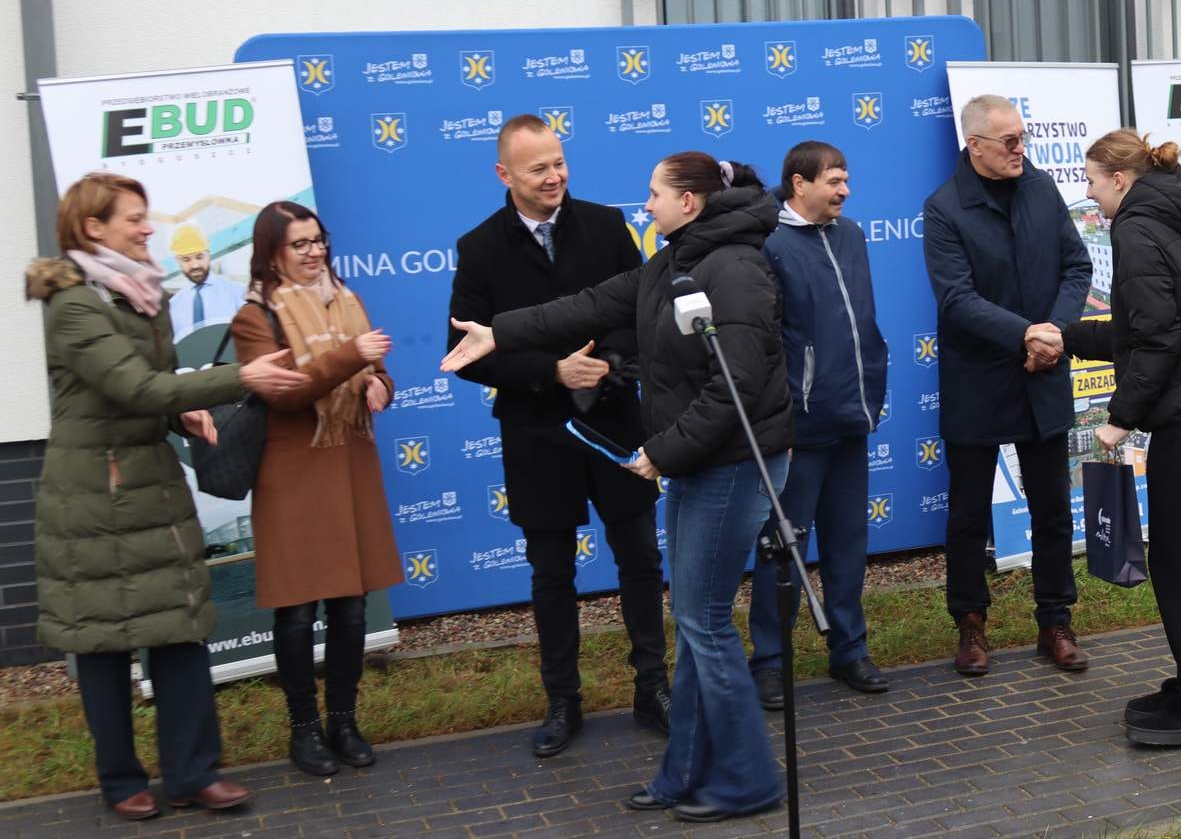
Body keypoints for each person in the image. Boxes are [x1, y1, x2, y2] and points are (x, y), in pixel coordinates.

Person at [442, 151, 791, 824]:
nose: (645, 205)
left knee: (706, 624)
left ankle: (747, 781)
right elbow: (587, 306)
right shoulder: (673, 261)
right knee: (696, 625)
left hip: (734, 465)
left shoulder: (735, 269)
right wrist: (499, 333)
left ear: (688, 202)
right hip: (699, 463)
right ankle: (683, 773)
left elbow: (738, 390)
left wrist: (662, 452)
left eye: (654, 193)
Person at [26, 173, 309, 821]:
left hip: (150, 485)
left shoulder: (139, 294)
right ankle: (120, 781)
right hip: (93, 498)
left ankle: (193, 774)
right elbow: (133, 386)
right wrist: (238, 377)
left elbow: (147, 391)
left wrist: (178, 414)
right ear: (93, 227)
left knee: (179, 630)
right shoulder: (74, 304)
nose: (147, 227)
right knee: (103, 643)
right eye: (133, 218)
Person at [447, 114, 669, 757]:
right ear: (505, 174)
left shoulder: (605, 224)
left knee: (639, 558)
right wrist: (551, 371)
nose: (554, 176)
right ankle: (563, 702)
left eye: (559, 162)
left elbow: (641, 310)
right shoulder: (479, 248)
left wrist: (609, 365)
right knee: (552, 574)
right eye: (538, 168)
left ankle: (653, 687)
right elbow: (466, 354)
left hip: (615, 423)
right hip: (536, 435)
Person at [1038, 131, 1181, 745]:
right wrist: (1068, 338)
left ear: (1120, 180)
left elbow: (1158, 341)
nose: (1089, 191)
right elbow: (1140, 330)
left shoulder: (1134, 230)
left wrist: (1118, 418)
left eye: (1092, 180)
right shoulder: (1154, 223)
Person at [228, 202, 404, 777]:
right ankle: (303, 729)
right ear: (272, 252)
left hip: (349, 461)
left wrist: (379, 385)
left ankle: (344, 722)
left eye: (318, 240)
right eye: (299, 244)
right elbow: (285, 392)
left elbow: (376, 371)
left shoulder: (345, 298)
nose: (314, 252)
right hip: (293, 472)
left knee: (351, 608)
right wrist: (354, 357)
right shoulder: (255, 316)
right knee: (299, 610)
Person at [923, 94, 1093, 677]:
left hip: (1043, 371)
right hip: (978, 378)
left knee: (1052, 509)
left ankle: (1056, 622)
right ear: (975, 146)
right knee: (968, 515)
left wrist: (1052, 333)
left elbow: (1076, 266)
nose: (1021, 148)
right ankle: (970, 625)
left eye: (1023, 137)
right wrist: (1026, 334)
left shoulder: (1041, 189)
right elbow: (956, 297)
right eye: (1009, 140)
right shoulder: (944, 208)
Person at [748, 141, 889, 709]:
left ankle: (849, 650)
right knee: (782, 548)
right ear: (798, 184)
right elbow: (766, 343)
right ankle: (770, 661)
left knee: (848, 544)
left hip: (852, 418)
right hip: (800, 430)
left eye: (846, 180)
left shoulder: (850, 235)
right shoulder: (771, 245)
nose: (845, 191)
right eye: (834, 181)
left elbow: (861, 323)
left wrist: (872, 385)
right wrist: (784, 415)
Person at [165, 224, 245, 339]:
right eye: (186, 259)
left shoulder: (237, 293)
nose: (195, 265)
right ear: (178, 261)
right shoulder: (174, 305)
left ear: (208, 254)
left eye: (199, 257)